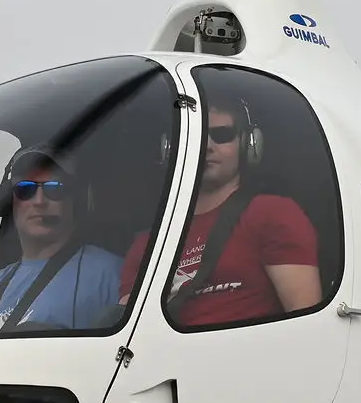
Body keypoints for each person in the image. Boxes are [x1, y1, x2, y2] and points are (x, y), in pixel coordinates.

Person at [121, 98, 322, 329]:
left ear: (249, 144)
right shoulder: (148, 244)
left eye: (222, 134)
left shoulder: (273, 214)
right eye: (195, 136)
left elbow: (308, 325)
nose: (206, 145)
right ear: (171, 149)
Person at [0, 148, 128, 333]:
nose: (39, 201)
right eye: (25, 189)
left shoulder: (111, 274)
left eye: (54, 188)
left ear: (78, 201)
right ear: (7, 201)